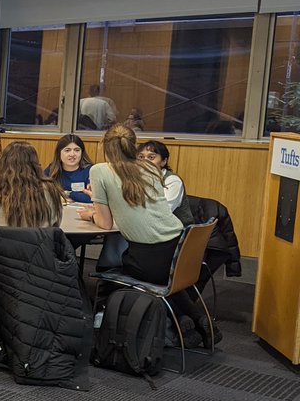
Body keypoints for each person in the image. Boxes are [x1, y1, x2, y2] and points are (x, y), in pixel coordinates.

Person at [78, 126, 214, 345]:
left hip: (147, 256)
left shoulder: (99, 171)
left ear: (103, 146)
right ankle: (197, 320)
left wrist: (90, 215)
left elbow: (104, 223)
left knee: (121, 268)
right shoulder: (150, 169)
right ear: (134, 145)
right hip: (179, 246)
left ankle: (176, 325)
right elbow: (141, 207)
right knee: (166, 280)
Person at [0, 142, 63, 228]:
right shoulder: (49, 189)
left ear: (2, 162)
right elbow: (55, 222)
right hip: (35, 244)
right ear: (35, 163)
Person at [137, 140, 194, 225]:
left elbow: (162, 213)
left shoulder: (172, 181)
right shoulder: (136, 178)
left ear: (164, 161)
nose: (145, 161)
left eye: (151, 157)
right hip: (147, 227)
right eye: (141, 157)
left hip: (176, 232)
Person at [46, 134, 93, 203]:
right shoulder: (52, 169)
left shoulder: (90, 170)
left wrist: (67, 194)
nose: (72, 154)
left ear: (82, 153)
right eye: (67, 150)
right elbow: (40, 192)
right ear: (59, 153)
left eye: (77, 150)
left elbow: (92, 198)